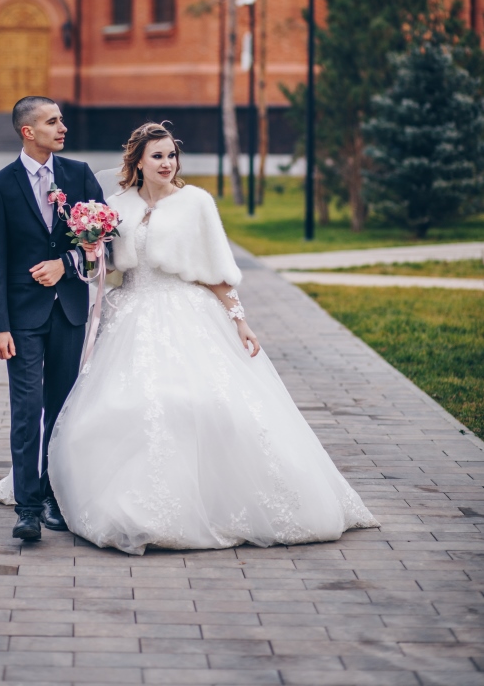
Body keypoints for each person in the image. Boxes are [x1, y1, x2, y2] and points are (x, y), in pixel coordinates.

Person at [45, 122, 379, 555]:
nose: (167, 164)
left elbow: (217, 269)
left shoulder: (196, 203)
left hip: (186, 310)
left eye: (172, 155)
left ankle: (211, 500)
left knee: (202, 403)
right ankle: (116, 497)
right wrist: (90, 248)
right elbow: (108, 269)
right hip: (129, 311)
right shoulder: (116, 206)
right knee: (122, 406)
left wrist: (239, 319)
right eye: (158, 156)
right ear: (138, 162)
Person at [0, 96, 105, 542]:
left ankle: (53, 497)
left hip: (69, 310)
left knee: (61, 407)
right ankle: (27, 506)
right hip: (23, 315)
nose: (63, 127)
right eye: (53, 121)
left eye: (62, 119)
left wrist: (67, 264)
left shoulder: (79, 175)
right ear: (27, 131)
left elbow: (104, 241)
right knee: (27, 408)